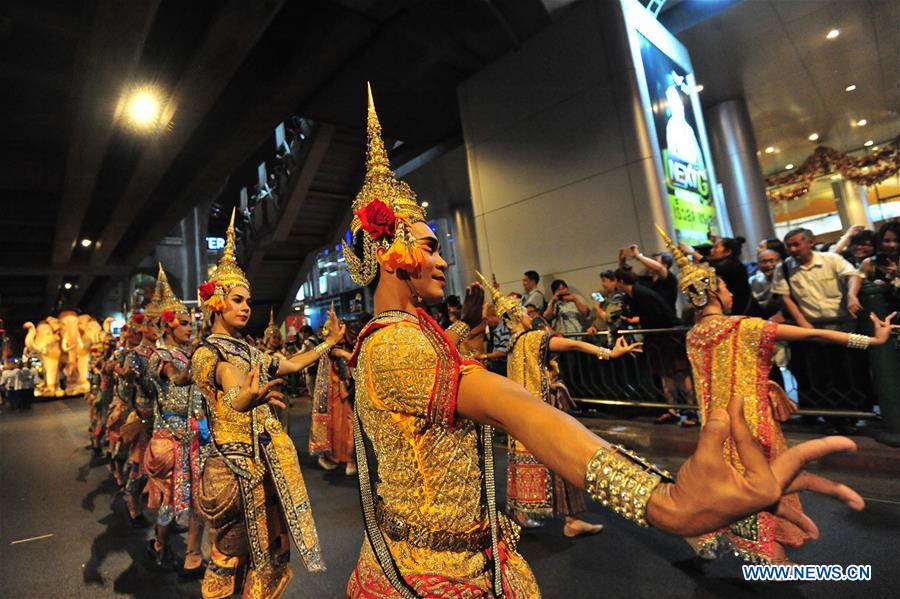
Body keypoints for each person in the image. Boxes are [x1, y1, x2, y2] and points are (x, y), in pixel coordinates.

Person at [342, 85, 864, 597]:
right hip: (430, 578)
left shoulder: (414, 336)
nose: (441, 259)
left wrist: (472, 329)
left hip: (471, 556)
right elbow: (517, 409)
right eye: (431, 246)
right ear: (390, 251)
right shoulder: (395, 346)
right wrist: (661, 501)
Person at [658, 225, 895, 563]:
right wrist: (872, 341)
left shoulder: (694, 335)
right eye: (724, 287)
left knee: (728, 489)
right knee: (762, 492)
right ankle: (770, 559)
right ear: (710, 292)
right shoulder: (745, 327)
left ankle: (713, 535)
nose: (730, 293)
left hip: (715, 429)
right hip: (752, 429)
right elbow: (813, 336)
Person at [191, 209, 342, 598]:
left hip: (265, 461)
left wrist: (327, 344)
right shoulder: (208, 354)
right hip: (231, 467)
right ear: (216, 303)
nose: (245, 307)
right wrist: (246, 399)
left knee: (267, 557)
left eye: (248, 301)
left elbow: (289, 364)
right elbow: (231, 383)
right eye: (237, 300)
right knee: (229, 557)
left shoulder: (249, 348)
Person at [478, 272, 641, 535]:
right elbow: (574, 344)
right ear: (518, 316)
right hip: (542, 411)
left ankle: (523, 512)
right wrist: (609, 352)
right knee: (564, 459)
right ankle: (571, 520)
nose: (529, 315)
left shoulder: (512, 344)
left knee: (525, 460)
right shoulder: (534, 338)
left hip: (521, 414)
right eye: (524, 312)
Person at [615, 268, 695, 426]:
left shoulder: (642, 293)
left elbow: (657, 316)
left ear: (621, 282)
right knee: (666, 376)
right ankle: (673, 409)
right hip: (660, 340)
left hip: (668, 338)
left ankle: (691, 411)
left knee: (680, 374)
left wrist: (637, 320)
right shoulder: (635, 293)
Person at [773, 228, 863, 327]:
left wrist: (852, 295)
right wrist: (801, 321)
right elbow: (785, 297)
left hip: (843, 321)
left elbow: (853, 275)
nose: (792, 250)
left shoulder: (831, 259)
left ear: (811, 242)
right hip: (812, 324)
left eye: (796, 245)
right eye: (788, 246)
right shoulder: (783, 268)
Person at [309, 320, 356, 475]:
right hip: (336, 395)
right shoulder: (334, 351)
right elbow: (347, 358)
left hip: (345, 394)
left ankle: (347, 459)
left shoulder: (343, 348)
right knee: (340, 427)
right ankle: (343, 459)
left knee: (347, 427)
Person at [620, 245, 678, 310]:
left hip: (667, 319)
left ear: (665, 266)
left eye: (655, 261)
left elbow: (659, 269)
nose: (650, 263)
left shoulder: (670, 280)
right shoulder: (645, 280)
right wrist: (622, 261)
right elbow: (627, 279)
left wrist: (638, 256)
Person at [860, 221, 900, 312]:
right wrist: (873, 287)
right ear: (880, 241)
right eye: (887, 241)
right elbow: (861, 294)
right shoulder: (870, 263)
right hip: (883, 317)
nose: (892, 245)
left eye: (897, 240)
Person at [749, 248, 783, 318]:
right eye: (764, 261)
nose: (768, 265)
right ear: (758, 264)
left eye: (772, 261)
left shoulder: (785, 279)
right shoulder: (752, 281)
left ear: (780, 262)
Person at [478, 303, 509, 376]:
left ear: (493, 316)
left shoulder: (504, 329)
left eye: (487, 319)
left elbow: (503, 351)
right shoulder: (495, 329)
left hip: (502, 366)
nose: (487, 323)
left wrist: (485, 356)